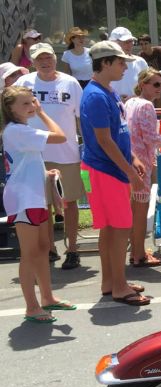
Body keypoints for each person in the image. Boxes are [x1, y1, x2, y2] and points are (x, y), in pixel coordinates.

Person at [80, 41, 150, 305]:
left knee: (110, 228)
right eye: (121, 62)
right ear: (105, 63)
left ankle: (111, 281)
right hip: (105, 170)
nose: (125, 67)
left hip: (108, 168)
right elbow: (104, 141)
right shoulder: (97, 95)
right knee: (120, 228)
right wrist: (129, 171)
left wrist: (132, 158)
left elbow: (119, 134)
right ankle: (119, 286)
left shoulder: (106, 91)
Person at [2, 86, 77, 323]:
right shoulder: (16, 131)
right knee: (30, 253)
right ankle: (31, 306)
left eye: (32, 102)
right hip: (24, 198)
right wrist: (44, 114)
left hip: (33, 195)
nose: (32, 106)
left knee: (44, 247)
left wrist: (46, 173)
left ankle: (47, 297)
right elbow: (60, 136)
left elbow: (26, 162)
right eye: (25, 104)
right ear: (10, 108)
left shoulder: (22, 129)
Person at [14, 42, 85, 270]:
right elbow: (8, 106)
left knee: (70, 202)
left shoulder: (70, 83)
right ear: (32, 62)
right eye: (39, 59)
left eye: (48, 58)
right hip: (34, 155)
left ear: (55, 58)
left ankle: (72, 249)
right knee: (42, 205)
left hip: (66, 153)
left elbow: (81, 117)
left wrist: (88, 144)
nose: (45, 62)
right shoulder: (24, 83)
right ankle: (49, 250)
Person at [124, 68, 161, 267]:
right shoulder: (147, 106)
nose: (160, 88)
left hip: (128, 161)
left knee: (132, 212)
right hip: (142, 163)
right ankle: (139, 255)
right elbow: (150, 138)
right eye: (155, 84)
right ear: (143, 84)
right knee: (140, 212)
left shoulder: (129, 102)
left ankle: (136, 251)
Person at [108, 27, 148, 102]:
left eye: (131, 41)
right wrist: (116, 99)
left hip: (135, 109)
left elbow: (149, 87)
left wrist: (135, 98)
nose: (130, 45)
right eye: (126, 42)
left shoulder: (141, 62)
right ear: (114, 43)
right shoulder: (107, 64)